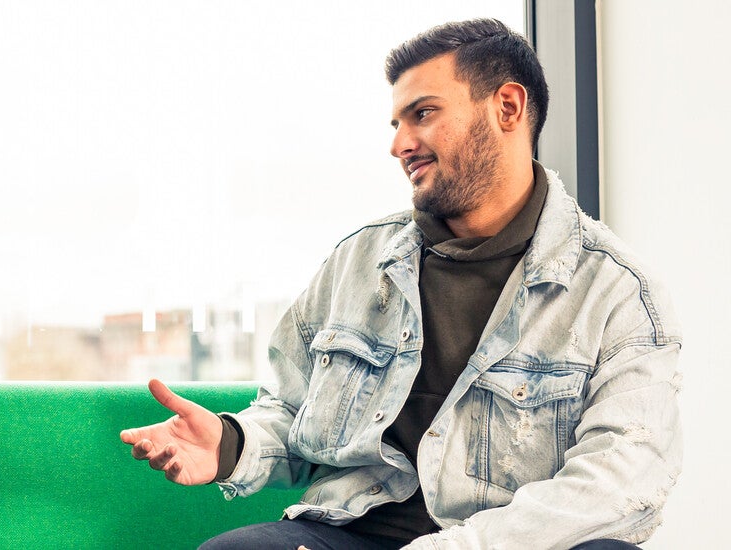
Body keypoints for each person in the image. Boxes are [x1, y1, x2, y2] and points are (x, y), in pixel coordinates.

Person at [120, 18, 681, 550]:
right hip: (356, 531)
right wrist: (230, 442)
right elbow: (292, 409)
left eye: (423, 114)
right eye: (396, 124)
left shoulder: (617, 290)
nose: (399, 144)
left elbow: (619, 479)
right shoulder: (356, 261)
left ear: (507, 107)